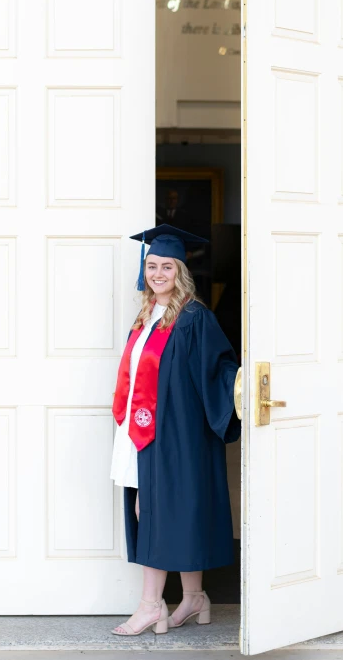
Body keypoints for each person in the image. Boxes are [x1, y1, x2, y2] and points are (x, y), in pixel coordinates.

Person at [109, 224, 242, 637]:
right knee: (172, 511)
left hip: (179, 435)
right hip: (145, 428)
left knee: (163, 511)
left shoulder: (193, 317)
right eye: (152, 266)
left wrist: (238, 389)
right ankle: (194, 597)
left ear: (181, 271)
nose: (158, 273)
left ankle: (151, 605)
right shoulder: (147, 314)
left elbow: (220, 366)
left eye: (167, 266)